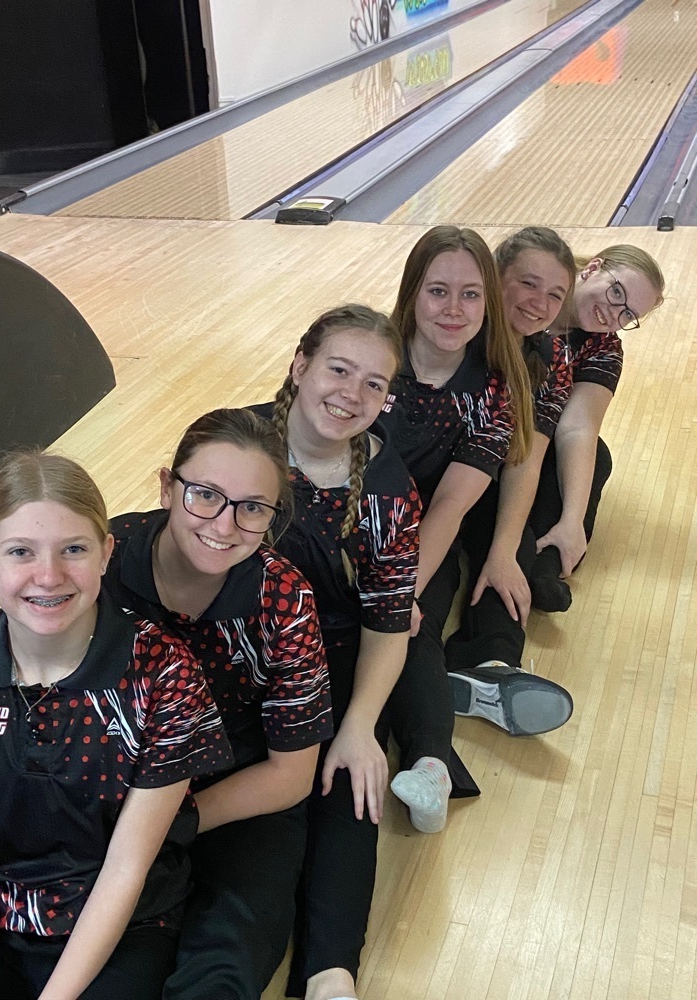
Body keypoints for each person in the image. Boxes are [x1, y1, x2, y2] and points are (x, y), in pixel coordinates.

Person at [0, 451, 231, 1000]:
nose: (48, 576)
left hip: (120, 926)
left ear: (105, 552)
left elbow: (126, 869)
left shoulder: (165, 672)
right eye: (20, 551)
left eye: (73, 549)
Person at [103, 408, 333, 1000]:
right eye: (204, 495)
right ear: (166, 487)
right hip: (116, 792)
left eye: (252, 507)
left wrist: (175, 822)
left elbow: (291, 774)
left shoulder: (284, 597)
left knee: (228, 956)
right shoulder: (102, 563)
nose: (224, 525)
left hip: (239, 794)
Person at [252, 304, 420, 1000]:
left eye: (374, 384)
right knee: (270, 812)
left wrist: (359, 726)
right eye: (339, 370)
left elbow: (387, 624)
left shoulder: (390, 490)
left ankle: (331, 972)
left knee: (350, 785)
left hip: (336, 659)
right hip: (233, 651)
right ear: (300, 366)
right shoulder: (234, 443)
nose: (352, 394)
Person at [374, 224, 536, 832]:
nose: (454, 309)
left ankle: (431, 768)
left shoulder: (494, 390)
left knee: (414, 627)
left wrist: (400, 594)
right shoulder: (372, 357)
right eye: (438, 291)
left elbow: (449, 504)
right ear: (413, 292)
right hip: (337, 523)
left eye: (470, 295)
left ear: (488, 302)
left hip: (421, 535)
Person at [444, 226, 578, 735]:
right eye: (528, 283)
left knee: (511, 541)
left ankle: (492, 666)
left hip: (484, 478)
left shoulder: (551, 357)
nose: (540, 303)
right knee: (433, 581)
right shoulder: (455, 331)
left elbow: (526, 456)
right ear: (494, 277)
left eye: (555, 294)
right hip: (425, 486)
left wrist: (503, 550)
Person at [527, 244, 665, 611]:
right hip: (488, 428)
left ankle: (549, 561)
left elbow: (578, 428)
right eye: (616, 292)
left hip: (536, 436)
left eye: (628, 314)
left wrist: (573, 519)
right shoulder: (530, 301)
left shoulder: (605, 348)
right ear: (593, 269)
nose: (613, 314)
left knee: (595, 457)